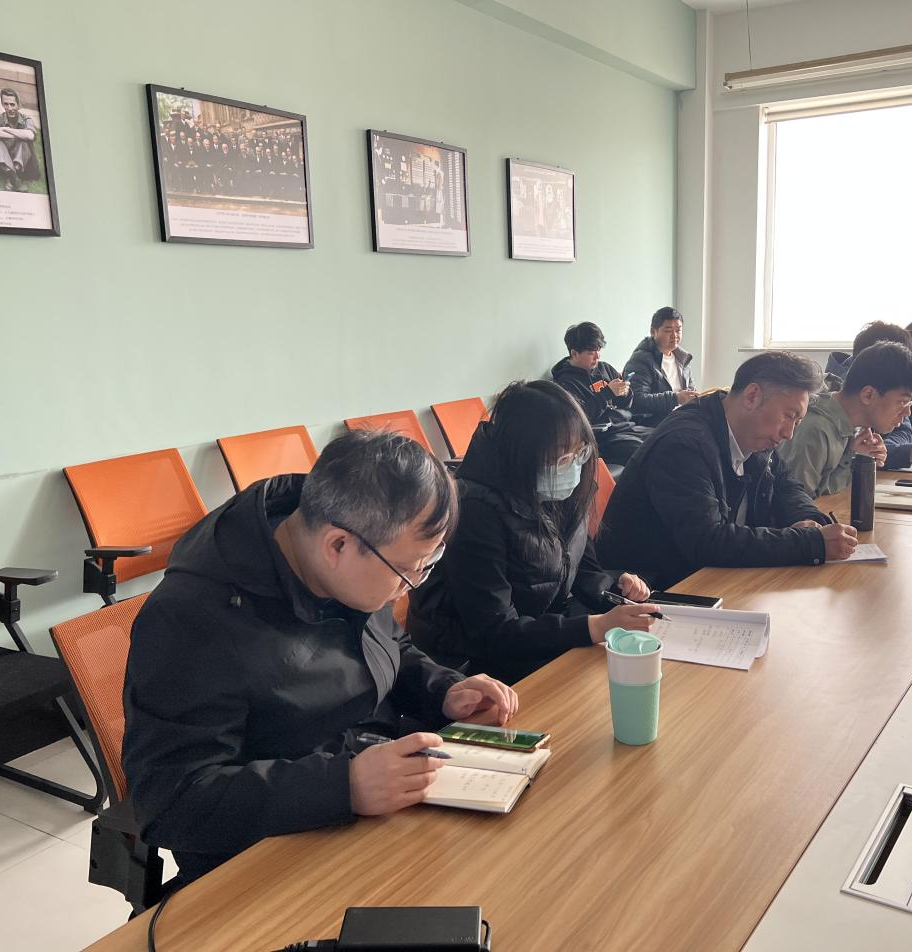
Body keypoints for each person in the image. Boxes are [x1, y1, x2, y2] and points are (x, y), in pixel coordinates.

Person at [122, 431, 519, 884]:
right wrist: (344, 785)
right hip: (268, 857)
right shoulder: (189, 620)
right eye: (410, 570)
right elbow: (171, 801)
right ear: (338, 546)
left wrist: (444, 689)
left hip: (371, 808)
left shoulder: (349, 558)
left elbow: (389, 646)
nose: (410, 586)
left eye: (427, 566)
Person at [408, 381, 657, 685]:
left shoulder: (557, 489)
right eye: (563, 458)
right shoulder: (474, 511)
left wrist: (617, 593)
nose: (574, 466)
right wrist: (593, 627)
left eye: (580, 452)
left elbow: (579, 565)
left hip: (542, 639)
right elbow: (494, 632)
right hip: (475, 668)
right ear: (523, 455)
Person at [596, 351, 859, 590]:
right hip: (654, 591)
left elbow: (787, 485)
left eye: (798, 421)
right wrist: (808, 543)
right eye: (789, 416)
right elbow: (707, 541)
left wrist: (810, 521)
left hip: (713, 577)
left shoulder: (755, 435)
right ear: (752, 396)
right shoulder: (683, 444)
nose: (789, 433)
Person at [777, 341, 912, 497]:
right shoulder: (815, 431)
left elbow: (820, 491)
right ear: (868, 395)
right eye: (902, 402)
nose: (908, 412)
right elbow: (797, 503)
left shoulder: (852, 422)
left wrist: (858, 461)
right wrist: (851, 464)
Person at [827, 322, 912, 469]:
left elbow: (904, 429)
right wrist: (908, 452)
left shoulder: (880, 396)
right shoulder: (823, 426)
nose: (907, 412)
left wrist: (868, 453)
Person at [551, 322, 651, 466]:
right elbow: (580, 420)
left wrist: (625, 392)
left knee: (661, 437)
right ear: (574, 354)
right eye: (591, 353)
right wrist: (607, 393)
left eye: (598, 350)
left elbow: (627, 405)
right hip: (605, 438)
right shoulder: (566, 384)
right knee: (646, 451)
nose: (597, 356)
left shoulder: (605, 368)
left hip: (627, 427)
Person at [622, 306, 699, 426]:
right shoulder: (641, 360)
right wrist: (676, 398)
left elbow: (690, 391)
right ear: (653, 332)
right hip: (656, 424)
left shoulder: (682, 358)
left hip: (682, 419)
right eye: (668, 330)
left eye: (678, 330)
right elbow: (637, 401)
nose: (674, 335)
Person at [0, 89, 38, 191]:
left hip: (26, 167)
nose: (9, 108)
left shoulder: (26, 119)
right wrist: (16, 134)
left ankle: (13, 174)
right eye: (6, 104)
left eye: (12, 104)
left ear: (18, 105)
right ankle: (13, 176)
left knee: (24, 139)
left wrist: (6, 129)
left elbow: (30, 135)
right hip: (5, 164)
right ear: (2, 104)